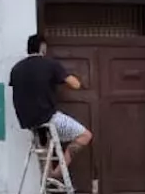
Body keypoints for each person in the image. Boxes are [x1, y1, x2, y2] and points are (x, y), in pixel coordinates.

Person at [8, 34, 91, 178]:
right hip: (48, 117)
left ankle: (47, 175)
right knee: (85, 135)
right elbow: (75, 84)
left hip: (28, 121)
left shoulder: (16, 68)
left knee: (46, 142)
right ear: (43, 47)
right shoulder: (49, 64)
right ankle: (57, 173)